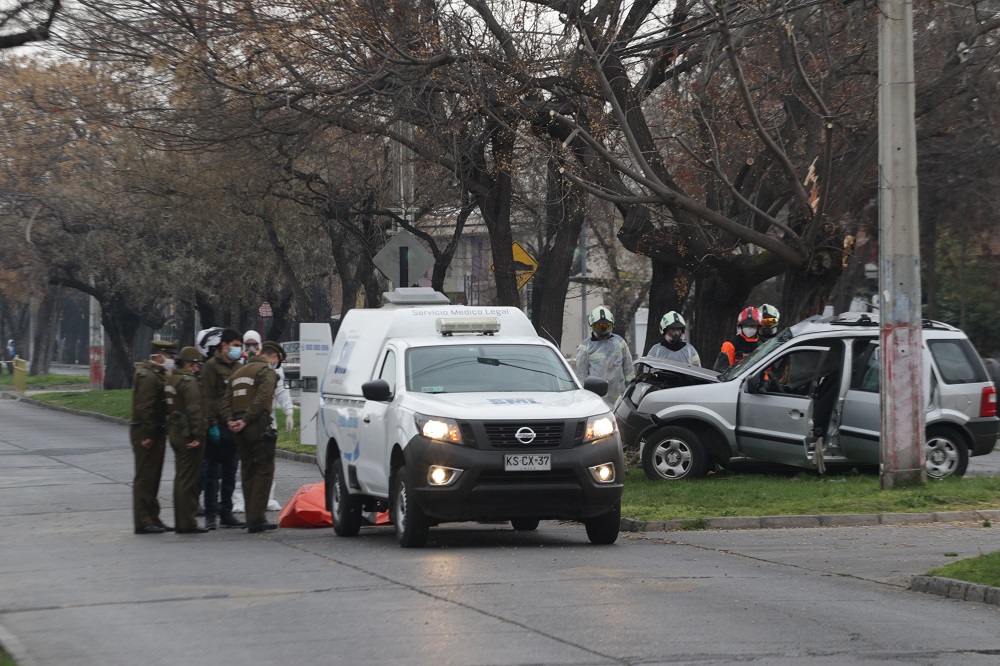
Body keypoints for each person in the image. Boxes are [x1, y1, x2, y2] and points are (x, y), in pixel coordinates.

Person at [222, 340, 285, 533]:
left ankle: (251, 515)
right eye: (277, 360)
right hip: (256, 424)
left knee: (248, 470)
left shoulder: (239, 372)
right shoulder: (266, 371)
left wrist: (230, 420)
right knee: (264, 469)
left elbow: (225, 400)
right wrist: (248, 419)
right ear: (273, 356)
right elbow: (263, 396)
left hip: (238, 427)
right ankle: (257, 518)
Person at [200, 328, 246, 530]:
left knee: (230, 471)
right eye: (235, 345)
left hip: (233, 425)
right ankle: (211, 513)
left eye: (239, 346)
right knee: (212, 473)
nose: (238, 350)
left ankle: (226, 512)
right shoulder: (211, 366)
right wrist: (211, 425)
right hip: (216, 425)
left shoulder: (238, 366)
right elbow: (208, 397)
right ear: (224, 345)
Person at [130, 339, 177, 535]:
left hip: (156, 431)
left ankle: (153, 517)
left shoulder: (157, 374)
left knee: (154, 477)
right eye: (169, 356)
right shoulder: (148, 376)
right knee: (145, 478)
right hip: (146, 432)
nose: (172, 360)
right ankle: (142, 520)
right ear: (159, 356)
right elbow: (145, 407)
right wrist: (148, 434)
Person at [165, 346, 209, 534]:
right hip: (188, 436)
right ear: (190, 365)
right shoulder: (188, 382)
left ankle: (181, 519)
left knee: (180, 478)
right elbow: (195, 410)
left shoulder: (171, 379)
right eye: (196, 365)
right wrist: (198, 435)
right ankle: (187, 522)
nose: (198, 369)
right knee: (188, 480)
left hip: (175, 432)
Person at [576, 306, 635, 406]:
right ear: (592, 325)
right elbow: (581, 376)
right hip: (596, 402)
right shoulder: (585, 347)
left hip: (619, 400)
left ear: (611, 325)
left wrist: (630, 390)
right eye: (599, 326)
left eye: (606, 326)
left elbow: (628, 369)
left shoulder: (620, 343)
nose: (603, 329)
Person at [244, 330, 295, 434]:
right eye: (248, 345)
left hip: (266, 422)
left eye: (254, 344)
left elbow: (281, 390)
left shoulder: (270, 367)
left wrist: (289, 412)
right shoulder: (239, 364)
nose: (251, 348)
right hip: (242, 421)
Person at [714, 306, 762, 372]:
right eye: (746, 325)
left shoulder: (763, 345)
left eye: (752, 326)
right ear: (741, 326)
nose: (749, 328)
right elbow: (722, 372)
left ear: (758, 327)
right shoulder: (729, 345)